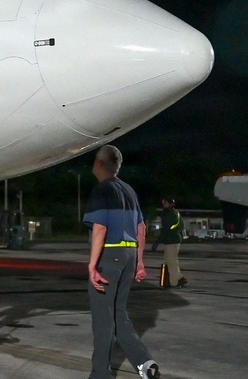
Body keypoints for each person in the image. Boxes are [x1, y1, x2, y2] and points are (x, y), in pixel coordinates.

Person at [83, 145, 161, 379]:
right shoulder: (129, 190)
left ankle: (100, 375)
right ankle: (145, 363)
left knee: (102, 321)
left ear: (98, 164)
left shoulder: (102, 190)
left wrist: (92, 265)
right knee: (119, 314)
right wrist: (139, 262)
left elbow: (100, 227)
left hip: (110, 255)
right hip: (128, 256)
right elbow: (141, 228)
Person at [159, 198, 187, 288]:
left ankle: (174, 282)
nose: (164, 205)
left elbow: (166, 228)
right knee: (170, 261)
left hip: (172, 241)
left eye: (166, 203)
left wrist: (159, 240)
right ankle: (180, 278)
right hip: (172, 240)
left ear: (171, 204)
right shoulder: (176, 213)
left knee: (171, 262)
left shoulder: (171, 214)